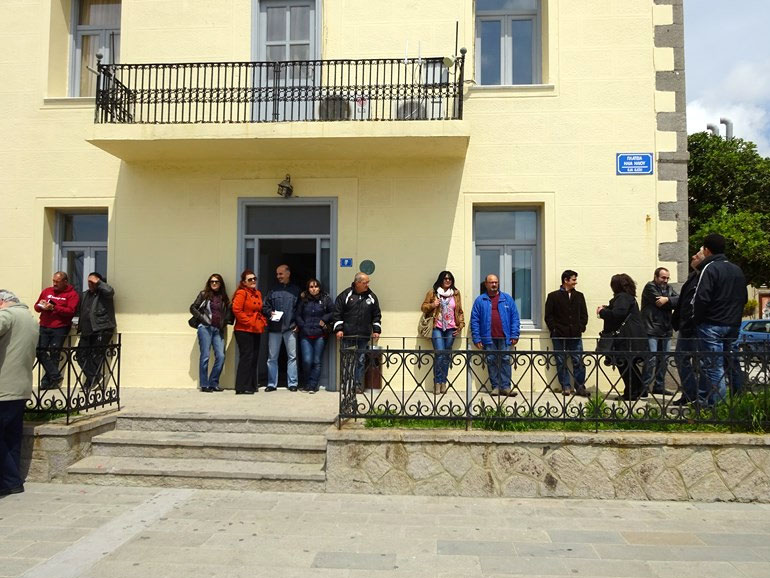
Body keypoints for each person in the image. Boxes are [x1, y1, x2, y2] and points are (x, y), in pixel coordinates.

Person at [692, 233, 748, 405]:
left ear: (707, 250)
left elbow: (702, 298)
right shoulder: (736, 269)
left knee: (714, 367)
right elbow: (744, 297)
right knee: (733, 363)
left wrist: (698, 319)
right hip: (732, 324)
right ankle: (739, 402)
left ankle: (719, 407)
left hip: (712, 324)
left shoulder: (710, 268)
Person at [0, 290, 39, 496]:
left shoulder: (7, 315)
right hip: (20, 387)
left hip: (3, 387)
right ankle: (11, 482)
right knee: (11, 438)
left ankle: (11, 481)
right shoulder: (30, 319)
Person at [597, 274, 647, 401]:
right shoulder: (628, 297)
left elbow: (618, 314)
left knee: (624, 364)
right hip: (632, 337)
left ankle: (631, 392)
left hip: (625, 338)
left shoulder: (622, 297)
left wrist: (602, 312)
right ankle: (638, 389)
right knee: (630, 365)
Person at [470, 274, 521, 396]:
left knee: (505, 360)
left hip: (504, 336)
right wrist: (477, 338)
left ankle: (506, 387)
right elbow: (475, 321)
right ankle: (495, 387)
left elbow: (515, 318)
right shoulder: (480, 300)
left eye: (496, 282)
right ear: (486, 284)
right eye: (491, 282)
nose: (494, 284)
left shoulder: (507, 299)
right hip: (488, 337)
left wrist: (514, 334)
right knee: (491, 360)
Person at [333, 272, 382, 392]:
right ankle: (346, 385)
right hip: (348, 334)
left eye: (368, 282)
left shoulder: (371, 297)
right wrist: (339, 329)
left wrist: (376, 330)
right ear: (357, 283)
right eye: (365, 283)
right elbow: (337, 313)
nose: (367, 285)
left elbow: (376, 315)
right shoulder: (345, 295)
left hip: (363, 335)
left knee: (360, 361)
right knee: (347, 361)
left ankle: (357, 385)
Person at [544, 269, 588, 397]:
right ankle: (565, 386)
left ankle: (580, 386)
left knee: (578, 360)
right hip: (559, 335)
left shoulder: (579, 296)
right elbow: (548, 316)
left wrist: (581, 327)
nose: (575, 282)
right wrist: (554, 329)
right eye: (573, 279)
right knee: (560, 361)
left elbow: (584, 314)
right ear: (566, 280)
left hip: (575, 334)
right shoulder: (553, 296)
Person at [421, 271, 465, 395]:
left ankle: (443, 382)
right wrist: (432, 305)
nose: (447, 280)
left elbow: (459, 311)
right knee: (440, 353)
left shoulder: (455, 293)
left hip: (451, 328)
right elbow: (423, 307)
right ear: (441, 280)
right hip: (437, 327)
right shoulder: (433, 292)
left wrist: (461, 325)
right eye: (445, 278)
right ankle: (437, 382)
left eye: (450, 279)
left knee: (446, 355)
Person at [33, 271, 79, 390]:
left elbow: (71, 311)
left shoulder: (72, 294)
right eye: (53, 281)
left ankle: (48, 382)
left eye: (57, 282)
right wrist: (41, 305)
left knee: (55, 352)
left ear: (65, 282)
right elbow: (36, 307)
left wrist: (54, 307)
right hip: (44, 325)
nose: (54, 284)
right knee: (39, 350)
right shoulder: (47, 291)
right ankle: (55, 376)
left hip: (60, 327)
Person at [670, 250, 705, 405]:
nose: (693, 257)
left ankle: (702, 397)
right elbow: (684, 299)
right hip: (686, 325)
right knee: (680, 357)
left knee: (701, 362)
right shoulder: (693, 276)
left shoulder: (704, 276)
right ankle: (690, 392)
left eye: (697, 256)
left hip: (696, 325)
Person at [190, 273, 232, 393]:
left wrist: (224, 323)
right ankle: (204, 384)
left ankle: (213, 383)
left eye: (216, 282)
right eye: (212, 281)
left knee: (221, 356)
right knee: (205, 356)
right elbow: (192, 308)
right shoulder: (204, 294)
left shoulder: (224, 297)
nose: (214, 283)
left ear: (220, 284)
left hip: (218, 329)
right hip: (205, 328)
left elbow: (227, 312)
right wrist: (203, 318)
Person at [640, 267, 679, 395]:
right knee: (651, 358)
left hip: (666, 328)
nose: (665, 280)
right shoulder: (650, 287)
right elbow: (659, 303)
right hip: (651, 328)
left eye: (667, 278)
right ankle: (644, 387)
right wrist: (670, 301)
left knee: (664, 359)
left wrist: (667, 299)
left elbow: (680, 301)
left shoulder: (669, 288)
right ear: (656, 277)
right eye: (663, 277)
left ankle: (659, 386)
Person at [75, 273, 116, 392]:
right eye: (89, 282)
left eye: (93, 282)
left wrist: (98, 282)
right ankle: (96, 378)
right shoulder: (85, 295)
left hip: (101, 328)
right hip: (86, 330)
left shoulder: (104, 294)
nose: (90, 284)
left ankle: (91, 382)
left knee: (95, 356)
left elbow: (110, 291)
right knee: (80, 356)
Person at [262, 264, 300, 392]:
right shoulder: (272, 290)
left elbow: (300, 309)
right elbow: (265, 306)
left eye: (281, 274)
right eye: (277, 274)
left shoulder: (296, 290)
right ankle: (271, 384)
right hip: (275, 328)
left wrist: (298, 324)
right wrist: (270, 313)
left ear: (288, 274)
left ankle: (292, 383)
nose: (278, 276)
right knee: (272, 358)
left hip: (290, 328)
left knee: (292, 357)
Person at [231, 271, 267, 395]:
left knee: (254, 357)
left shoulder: (258, 293)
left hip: (256, 328)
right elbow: (236, 310)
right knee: (247, 357)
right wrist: (249, 321)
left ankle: (251, 385)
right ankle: (241, 386)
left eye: (254, 279)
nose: (253, 281)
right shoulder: (241, 293)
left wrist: (262, 320)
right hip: (243, 329)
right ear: (244, 282)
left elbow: (259, 309)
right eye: (250, 279)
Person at [296, 278, 334, 393]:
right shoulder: (304, 300)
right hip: (305, 334)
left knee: (316, 361)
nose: (314, 289)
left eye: (316, 287)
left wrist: (324, 319)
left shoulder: (325, 299)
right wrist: (302, 325)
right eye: (311, 287)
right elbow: (297, 315)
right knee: (307, 361)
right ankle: (307, 383)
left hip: (320, 334)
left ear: (319, 288)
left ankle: (312, 385)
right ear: (308, 289)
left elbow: (333, 312)